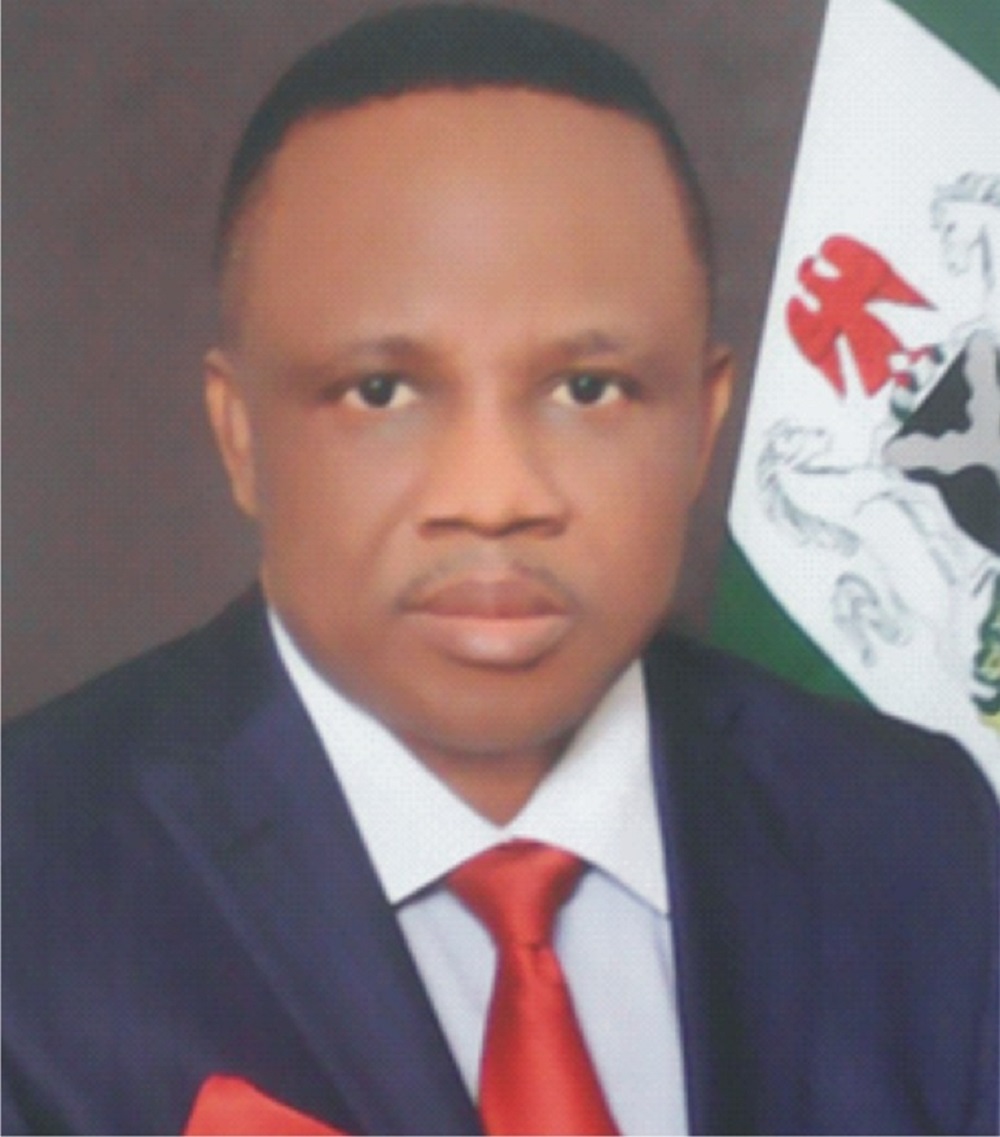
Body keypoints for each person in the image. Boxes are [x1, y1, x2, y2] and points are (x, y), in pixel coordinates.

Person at [3, 5, 997, 1135]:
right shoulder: (27, 881)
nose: (493, 494)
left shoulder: (920, 837)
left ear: (702, 421)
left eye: (588, 389)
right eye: (381, 392)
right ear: (241, 436)